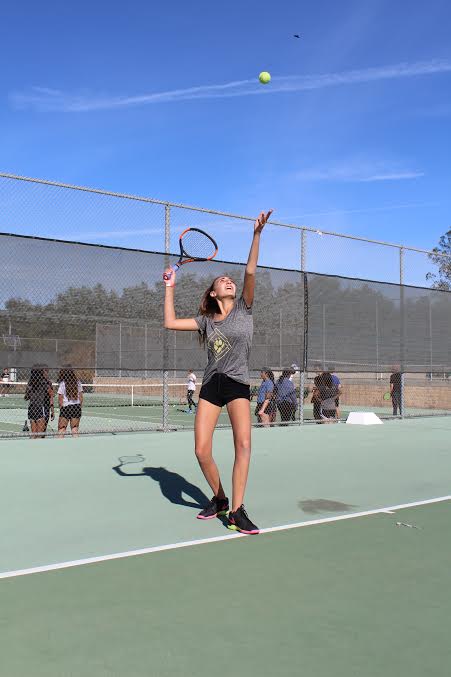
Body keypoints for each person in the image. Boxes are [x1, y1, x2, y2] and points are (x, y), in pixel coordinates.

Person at [163, 209, 273, 535]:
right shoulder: (206, 321)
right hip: (212, 384)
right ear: (213, 293)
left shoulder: (244, 308)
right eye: (221, 281)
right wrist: (169, 287)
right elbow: (170, 322)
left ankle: (237, 511)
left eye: (230, 280)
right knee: (201, 450)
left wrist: (257, 235)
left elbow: (250, 271)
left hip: (238, 382)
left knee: (243, 445)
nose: (228, 281)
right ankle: (220, 498)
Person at [24, 365, 53, 439]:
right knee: (40, 434)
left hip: (31, 408)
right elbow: (51, 394)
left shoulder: (30, 383)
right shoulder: (44, 383)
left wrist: (30, 392)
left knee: (34, 434)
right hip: (40, 407)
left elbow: (26, 397)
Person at [57, 365, 83, 437]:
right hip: (76, 407)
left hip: (66, 407)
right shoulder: (78, 383)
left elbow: (60, 398)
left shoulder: (62, 383)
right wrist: (79, 406)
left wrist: (61, 407)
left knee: (62, 428)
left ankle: (59, 445)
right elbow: (81, 397)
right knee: (74, 429)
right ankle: (76, 444)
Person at [41, 365, 55, 434]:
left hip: (46, 406)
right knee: (39, 427)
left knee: (44, 427)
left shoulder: (49, 383)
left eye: (47, 371)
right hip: (39, 406)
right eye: (44, 372)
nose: (46, 373)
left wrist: (52, 411)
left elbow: (51, 396)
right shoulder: (36, 382)